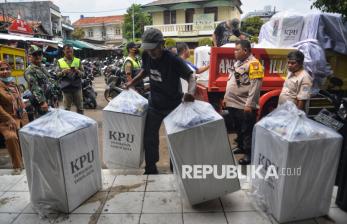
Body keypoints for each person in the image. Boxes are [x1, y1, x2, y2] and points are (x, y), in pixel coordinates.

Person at [125, 28, 196, 174]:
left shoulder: (173, 60)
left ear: (162, 44)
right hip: (155, 104)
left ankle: (175, 168)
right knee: (149, 137)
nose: (151, 53)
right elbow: (145, 70)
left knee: (175, 138)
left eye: (154, 49)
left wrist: (190, 92)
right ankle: (151, 167)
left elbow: (191, 77)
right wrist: (131, 82)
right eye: (148, 49)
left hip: (174, 106)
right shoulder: (146, 55)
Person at [224, 40, 264, 165]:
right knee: (238, 128)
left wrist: (249, 104)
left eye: (237, 50)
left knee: (247, 130)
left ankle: (248, 154)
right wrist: (226, 98)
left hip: (244, 105)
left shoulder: (254, 64)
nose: (234, 52)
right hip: (233, 103)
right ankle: (240, 146)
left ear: (245, 51)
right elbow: (231, 81)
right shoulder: (238, 63)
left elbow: (255, 86)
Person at [0, 61, 28, 169]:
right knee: (11, 137)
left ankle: (28, 159)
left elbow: (20, 101)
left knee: (29, 134)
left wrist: (24, 113)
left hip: (20, 117)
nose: (5, 72)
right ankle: (17, 165)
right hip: (5, 119)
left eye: (7, 69)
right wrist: (9, 118)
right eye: (1, 70)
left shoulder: (14, 85)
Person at [56, 44, 84, 114]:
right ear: (64, 51)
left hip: (77, 88)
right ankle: (67, 124)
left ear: (73, 51)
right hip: (66, 89)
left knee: (80, 108)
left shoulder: (78, 61)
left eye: (71, 51)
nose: (69, 53)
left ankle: (82, 122)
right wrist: (63, 72)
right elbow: (57, 75)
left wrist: (77, 71)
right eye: (67, 52)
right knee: (66, 109)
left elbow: (83, 74)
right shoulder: (59, 61)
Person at [24, 45, 50, 116]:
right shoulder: (29, 71)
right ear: (30, 57)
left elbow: (49, 80)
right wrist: (42, 102)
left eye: (39, 54)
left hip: (48, 99)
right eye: (35, 54)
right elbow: (34, 87)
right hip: (39, 102)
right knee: (43, 123)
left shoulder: (42, 67)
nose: (38, 56)